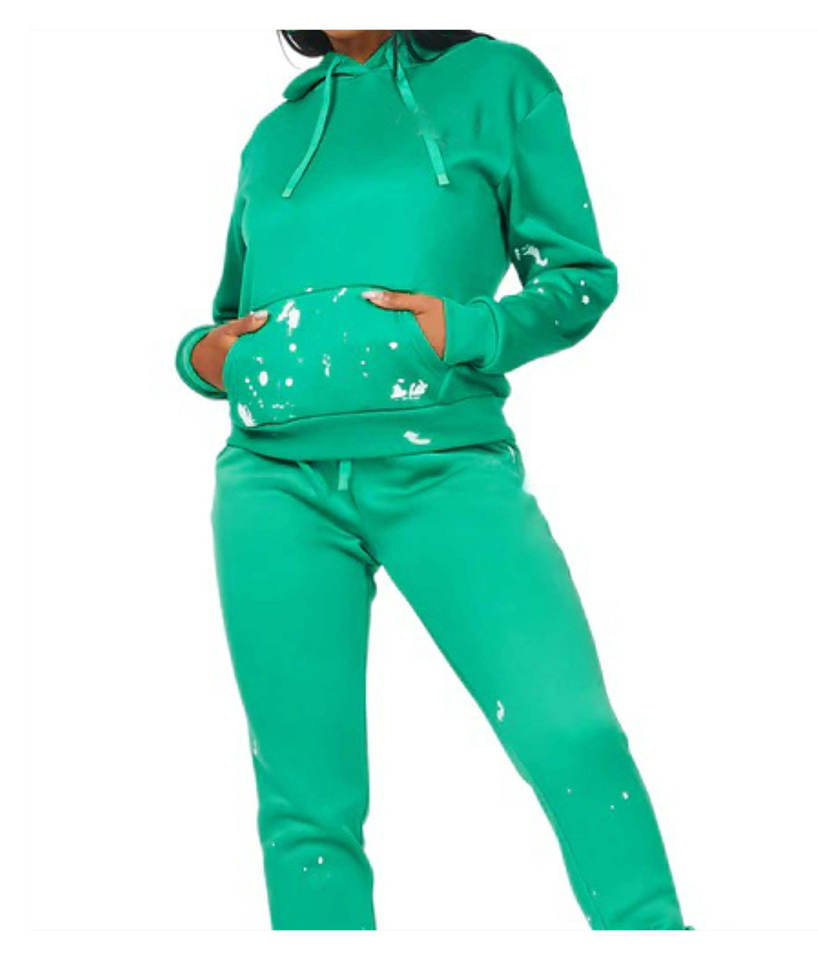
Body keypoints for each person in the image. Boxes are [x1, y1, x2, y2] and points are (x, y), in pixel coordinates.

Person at [175, 29, 687, 931]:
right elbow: (230, 313)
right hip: (271, 486)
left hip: (445, 467)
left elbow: (578, 278)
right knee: (305, 807)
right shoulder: (274, 134)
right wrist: (202, 356)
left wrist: (469, 331)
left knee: (569, 733)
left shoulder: (499, 81)